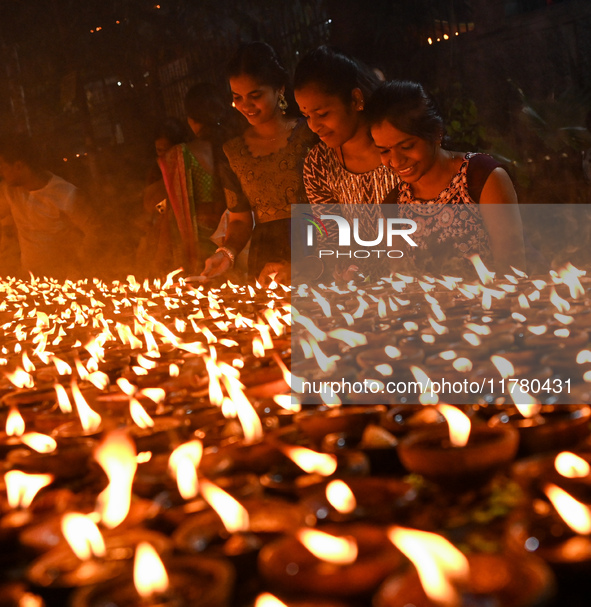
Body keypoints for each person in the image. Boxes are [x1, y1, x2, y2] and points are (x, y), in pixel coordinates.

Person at [366, 80, 526, 275]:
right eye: (384, 151)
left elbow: (512, 269)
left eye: (407, 146)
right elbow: (402, 280)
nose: (396, 161)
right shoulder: (393, 206)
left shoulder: (482, 177)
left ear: (436, 133)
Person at [200, 42, 317, 282]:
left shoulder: (311, 133)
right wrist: (227, 253)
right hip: (265, 257)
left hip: (314, 245)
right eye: (237, 97)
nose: (246, 105)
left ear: (279, 89)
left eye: (255, 95)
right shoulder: (234, 151)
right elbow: (241, 218)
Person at [0, 133, 102, 279]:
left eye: (3, 167)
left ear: (18, 166)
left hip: (61, 282)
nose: (1, 172)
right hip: (28, 280)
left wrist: (79, 262)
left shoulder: (65, 193)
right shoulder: (9, 191)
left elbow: (95, 231)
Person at [156, 84, 230, 274]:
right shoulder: (236, 146)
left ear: (190, 120)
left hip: (200, 241)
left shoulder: (180, 155)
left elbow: (171, 210)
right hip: (236, 236)